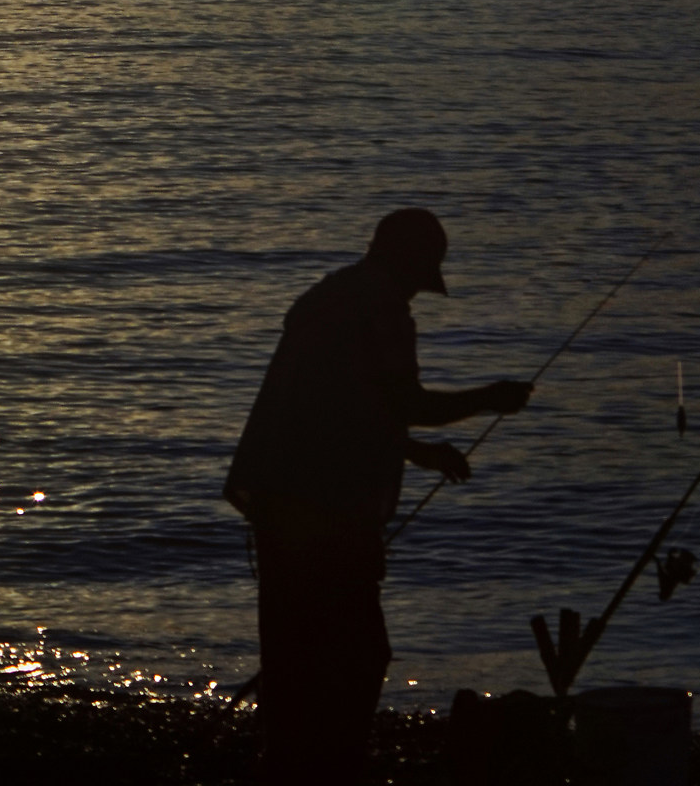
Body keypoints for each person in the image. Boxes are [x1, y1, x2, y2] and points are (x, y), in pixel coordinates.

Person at [224, 208, 532, 785]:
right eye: (423, 274)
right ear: (410, 262)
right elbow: (405, 403)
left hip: (275, 494)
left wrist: (416, 454)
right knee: (360, 655)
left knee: (294, 650)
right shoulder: (383, 310)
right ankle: (334, 764)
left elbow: (346, 405)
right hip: (326, 507)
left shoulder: (329, 297)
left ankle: (290, 763)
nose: (421, 289)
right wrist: (491, 398)